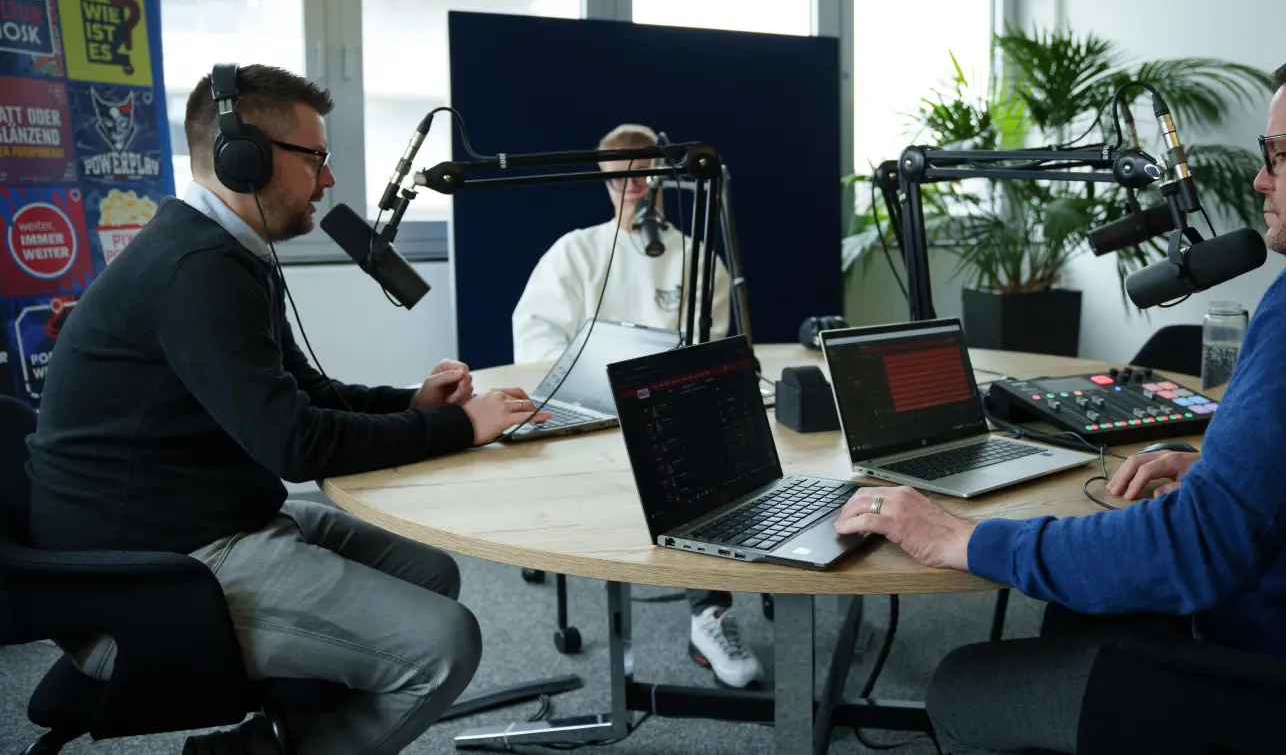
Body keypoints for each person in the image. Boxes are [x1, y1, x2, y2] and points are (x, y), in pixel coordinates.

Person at [832, 37, 1286, 755]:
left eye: (1279, 154)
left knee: (963, 683)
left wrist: (963, 537)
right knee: (1080, 618)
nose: (1261, 182)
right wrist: (1220, 473)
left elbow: (1200, 552)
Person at [26, 65, 549, 755]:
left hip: (206, 523)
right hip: (145, 581)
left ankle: (259, 748)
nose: (328, 181)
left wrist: (416, 403)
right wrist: (459, 426)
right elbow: (295, 445)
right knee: (445, 643)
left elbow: (302, 393)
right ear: (244, 160)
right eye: (317, 159)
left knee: (431, 573)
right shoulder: (197, 272)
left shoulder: (229, 253)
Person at [510, 124, 760, 689]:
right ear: (602, 179)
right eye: (619, 176)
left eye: (643, 172)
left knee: (701, 448)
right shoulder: (575, 253)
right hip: (591, 415)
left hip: (674, 417)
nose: (633, 186)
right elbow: (538, 343)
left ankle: (709, 614)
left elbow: (711, 354)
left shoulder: (699, 259)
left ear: (663, 176)